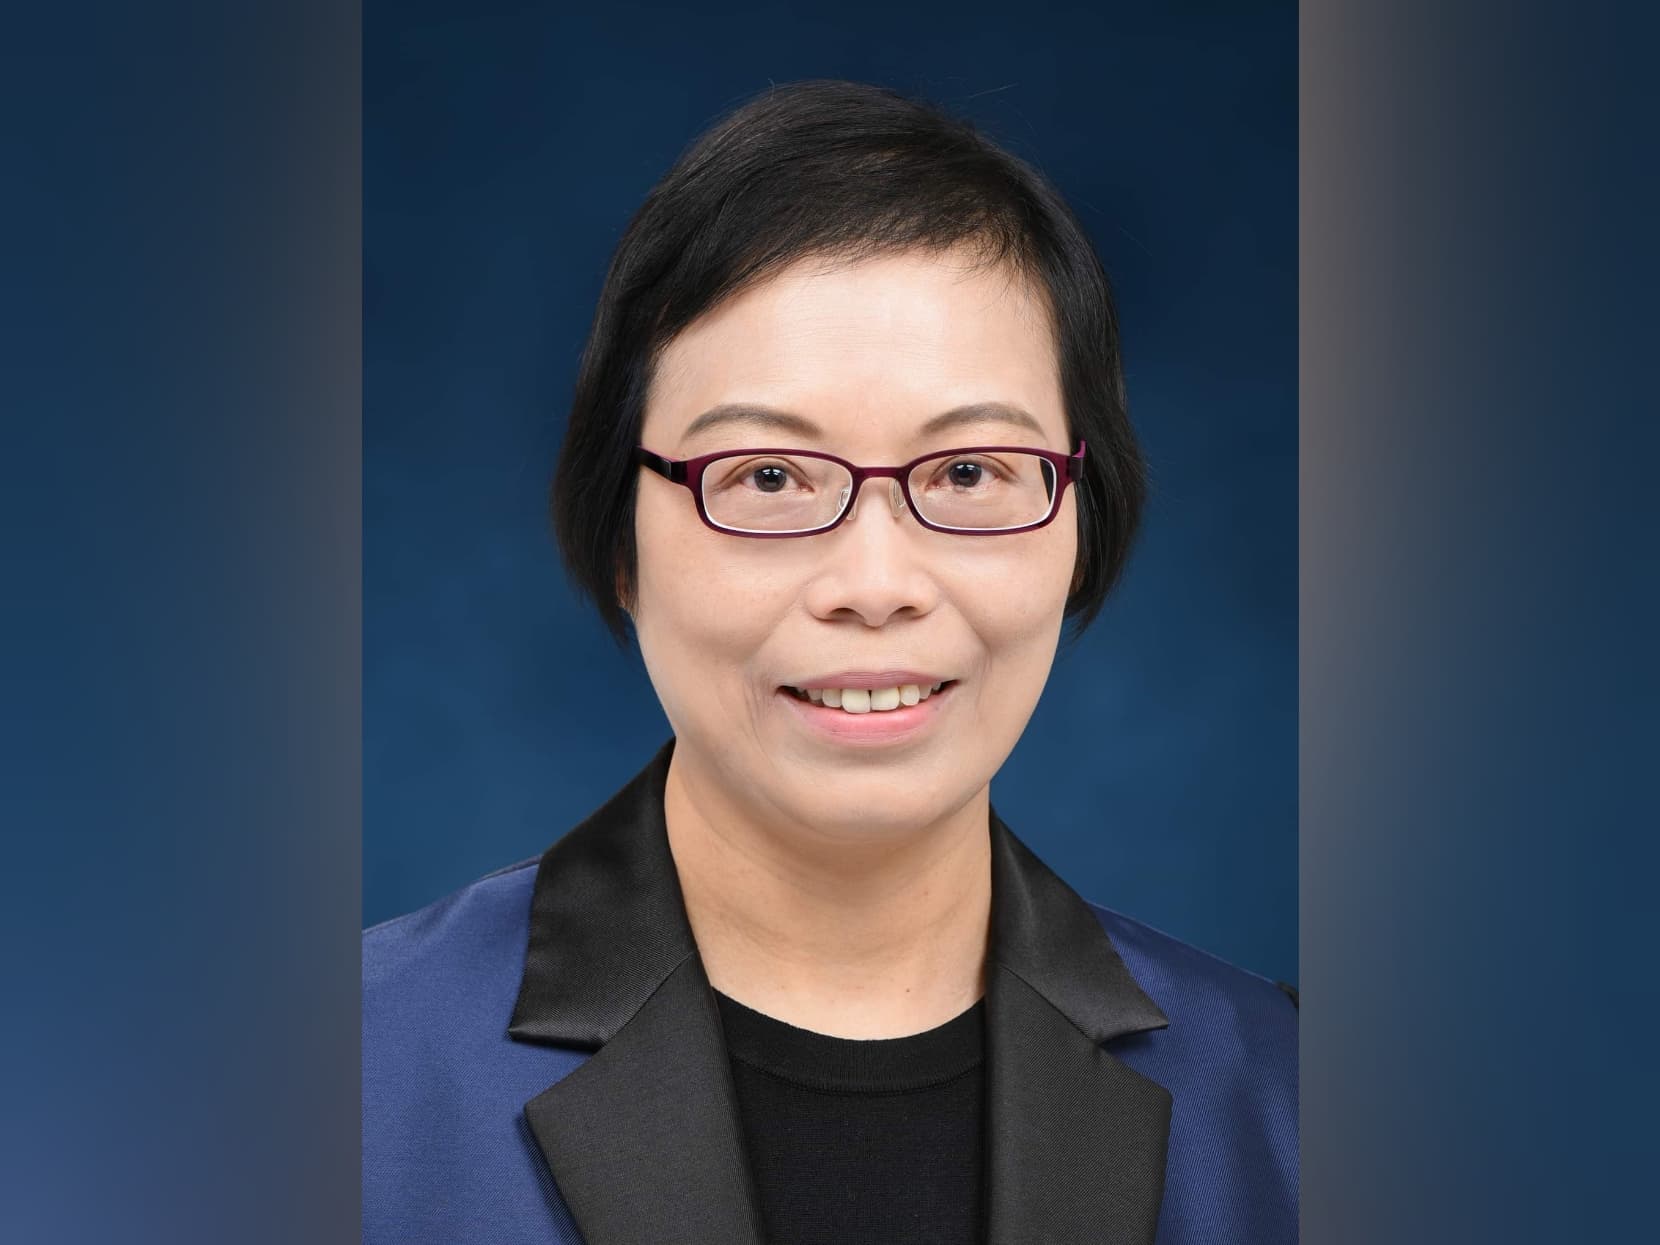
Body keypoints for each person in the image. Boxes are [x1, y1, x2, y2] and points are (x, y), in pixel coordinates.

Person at [363, 78, 1296, 1245]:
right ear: (619, 540)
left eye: (968, 473)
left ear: (1080, 518)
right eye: (767, 478)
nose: (875, 582)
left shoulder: (1284, 1103)